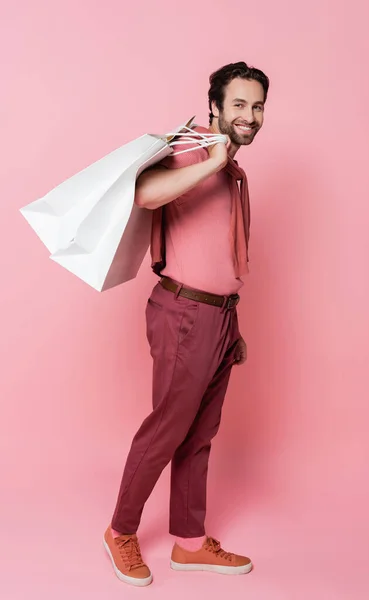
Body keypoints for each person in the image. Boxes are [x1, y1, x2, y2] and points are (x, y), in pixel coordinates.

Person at [103, 61, 270, 586]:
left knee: (200, 434)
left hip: (219, 319)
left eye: (258, 105)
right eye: (238, 104)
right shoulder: (191, 147)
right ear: (215, 106)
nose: (250, 115)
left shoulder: (230, 169)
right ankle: (120, 531)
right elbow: (146, 193)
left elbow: (216, 253)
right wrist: (211, 160)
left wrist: (232, 326)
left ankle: (190, 542)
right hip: (183, 314)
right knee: (167, 428)